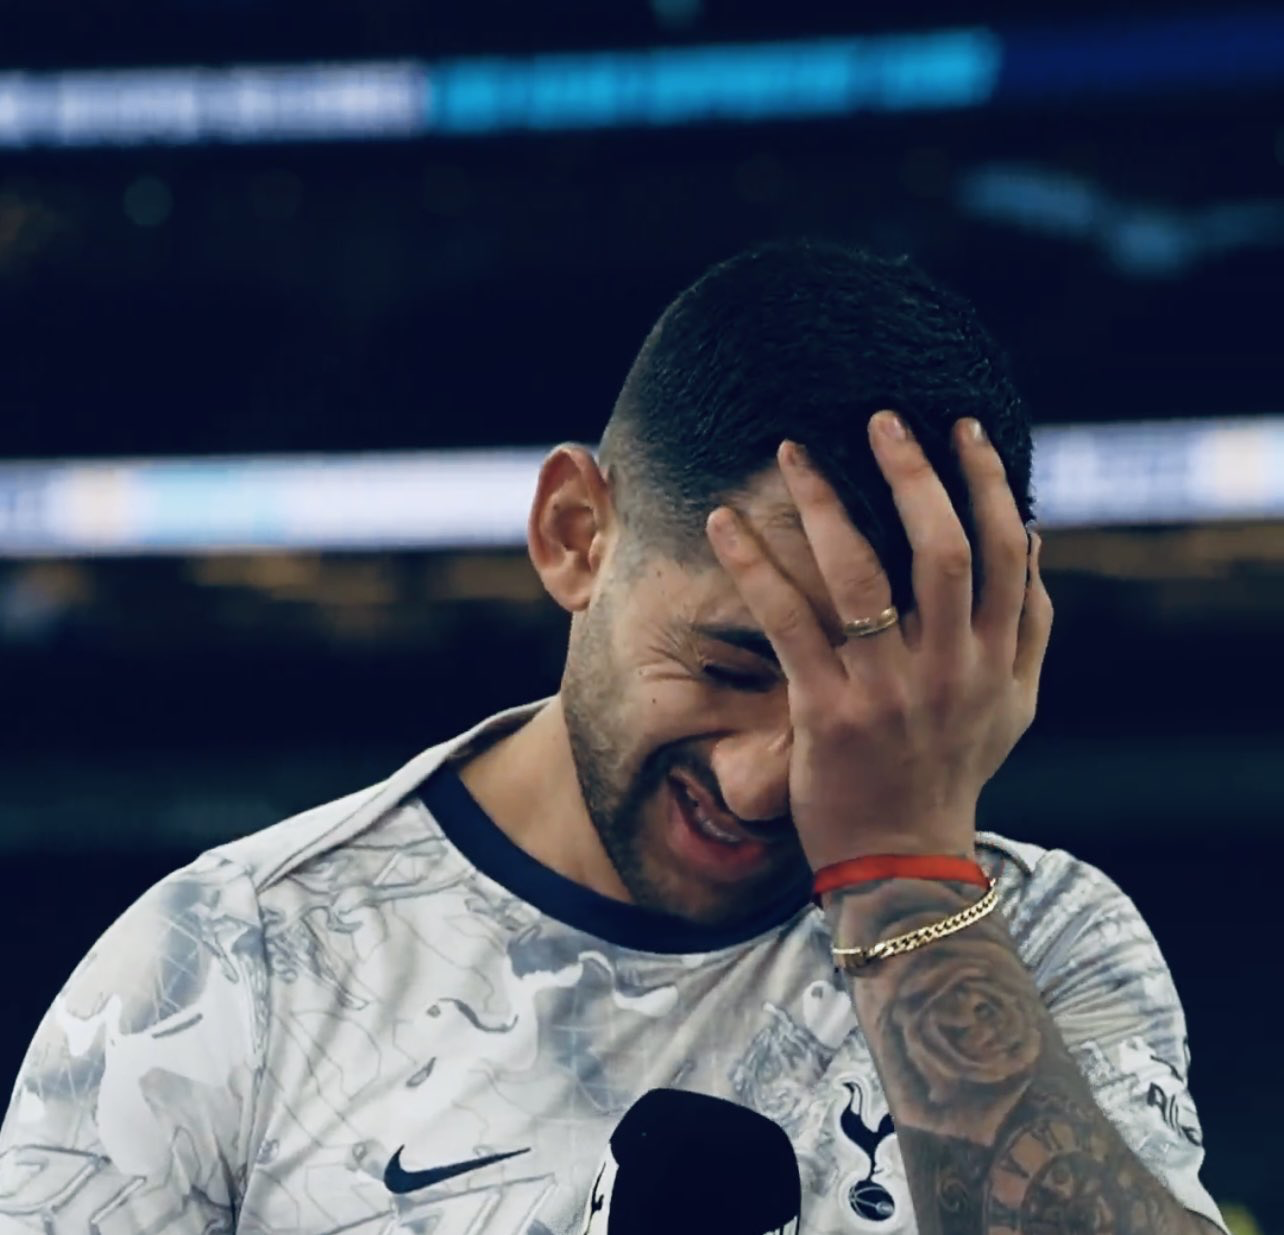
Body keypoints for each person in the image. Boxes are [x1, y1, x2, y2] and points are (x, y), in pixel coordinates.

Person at [0, 240, 1223, 1235]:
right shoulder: (221, 971)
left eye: (870, 710)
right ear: (577, 533)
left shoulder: (1051, 945)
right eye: (729, 664)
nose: (764, 778)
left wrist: (902, 872)